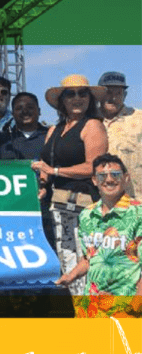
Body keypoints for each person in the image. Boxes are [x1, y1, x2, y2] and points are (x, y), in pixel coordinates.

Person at [32, 75, 108, 295]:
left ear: (90, 99)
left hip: (85, 208)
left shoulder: (93, 125)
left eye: (83, 93)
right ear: (62, 100)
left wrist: (55, 171)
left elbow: (94, 167)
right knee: (67, 265)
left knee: (88, 264)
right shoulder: (52, 130)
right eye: (71, 94)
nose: (77, 98)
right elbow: (47, 165)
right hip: (58, 208)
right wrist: (44, 183)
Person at [56, 154, 142, 312]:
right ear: (94, 180)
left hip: (126, 306)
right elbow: (89, 258)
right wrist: (71, 276)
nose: (109, 180)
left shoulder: (138, 214)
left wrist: (135, 306)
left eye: (115, 175)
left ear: (126, 178)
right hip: (92, 306)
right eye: (102, 175)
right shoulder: (87, 215)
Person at [97, 71, 142, 200]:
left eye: (118, 93)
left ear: (125, 95)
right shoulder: (89, 121)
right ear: (99, 95)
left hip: (136, 202)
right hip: (98, 202)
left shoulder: (139, 118)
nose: (113, 98)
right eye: (108, 92)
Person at [0, 92, 47, 160]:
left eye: (30, 107)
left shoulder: (51, 137)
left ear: (39, 111)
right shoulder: (1, 140)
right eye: (19, 108)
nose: (25, 111)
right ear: (12, 114)